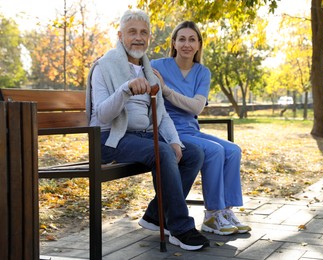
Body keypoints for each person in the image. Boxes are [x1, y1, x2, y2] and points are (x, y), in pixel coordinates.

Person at [86, 10, 209, 251]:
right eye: (132, 32)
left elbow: (160, 114)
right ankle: (180, 228)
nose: (138, 38)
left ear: (150, 38)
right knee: (162, 153)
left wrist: (175, 141)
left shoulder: (148, 70)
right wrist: (126, 90)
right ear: (120, 35)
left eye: (144, 33)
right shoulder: (103, 66)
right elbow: (101, 114)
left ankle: (155, 215)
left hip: (141, 137)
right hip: (109, 138)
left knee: (193, 153)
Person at [151, 21, 251, 236]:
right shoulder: (157, 66)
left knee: (233, 150)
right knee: (215, 150)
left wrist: (167, 91)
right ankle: (212, 214)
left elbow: (197, 107)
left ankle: (226, 210)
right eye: (182, 39)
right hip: (169, 131)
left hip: (191, 130)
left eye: (192, 39)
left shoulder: (202, 72)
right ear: (174, 43)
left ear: (198, 45)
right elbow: (131, 68)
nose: (187, 44)